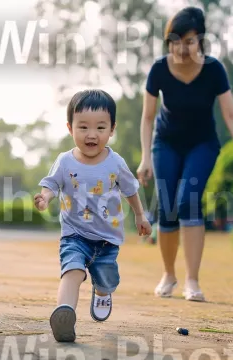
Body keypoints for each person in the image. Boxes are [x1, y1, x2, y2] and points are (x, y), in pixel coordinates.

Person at [137, 6, 233, 301]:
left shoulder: (214, 70)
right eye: (174, 41)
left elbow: (229, 113)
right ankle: (168, 274)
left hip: (202, 144)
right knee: (168, 206)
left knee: (188, 200)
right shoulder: (159, 69)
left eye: (188, 41)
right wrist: (145, 157)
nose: (181, 48)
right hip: (166, 143)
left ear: (201, 40)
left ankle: (192, 280)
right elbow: (148, 117)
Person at [34, 89, 152, 342]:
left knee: (106, 278)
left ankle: (102, 291)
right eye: (83, 127)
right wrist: (45, 198)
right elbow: (52, 185)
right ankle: (64, 313)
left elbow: (130, 190)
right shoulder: (65, 161)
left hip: (107, 239)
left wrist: (140, 216)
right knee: (71, 270)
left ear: (111, 129)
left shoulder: (115, 162)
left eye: (100, 127)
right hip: (74, 235)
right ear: (70, 128)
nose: (91, 135)